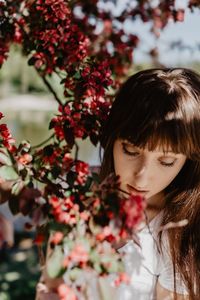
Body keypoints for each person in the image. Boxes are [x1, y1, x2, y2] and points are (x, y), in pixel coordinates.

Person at [36, 68, 200, 300]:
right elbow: (48, 284)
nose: (142, 177)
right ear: (111, 139)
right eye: (130, 151)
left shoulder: (179, 233)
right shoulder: (74, 193)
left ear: (188, 161)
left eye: (166, 161)